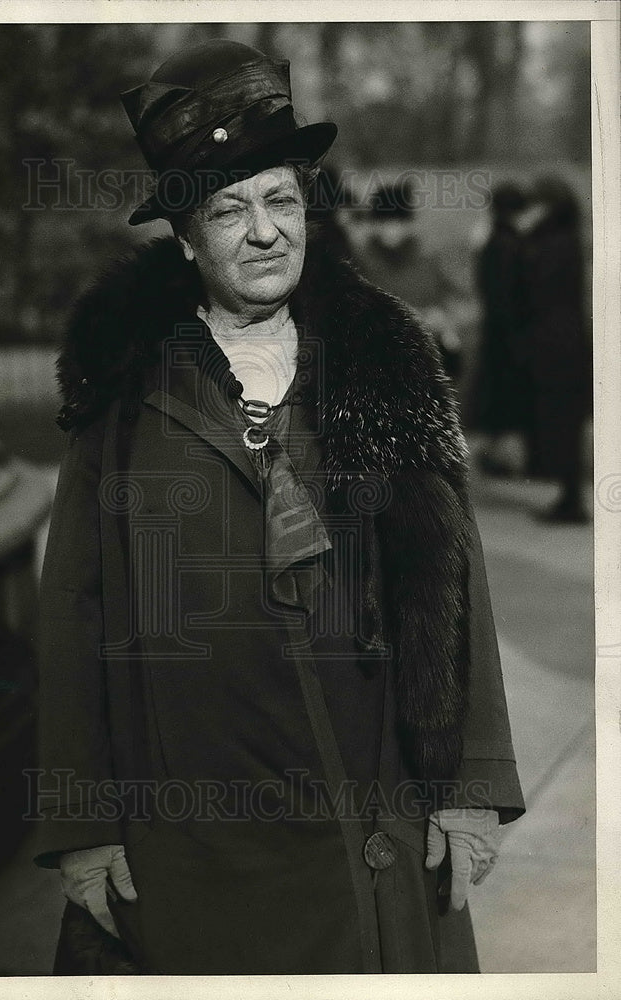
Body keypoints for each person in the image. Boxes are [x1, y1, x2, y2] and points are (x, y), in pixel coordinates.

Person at [34, 39, 525, 975]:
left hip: (371, 816)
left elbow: (456, 575)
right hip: (192, 839)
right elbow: (73, 612)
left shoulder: (385, 358)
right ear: (183, 238)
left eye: (280, 200)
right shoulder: (126, 388)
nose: (264, 233)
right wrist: (80, 822)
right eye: (228, 210)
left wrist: (468, 786)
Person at [517, 176, 592, 522]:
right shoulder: (567, 240)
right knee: (565, 423)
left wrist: (525, 237)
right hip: (565, 340)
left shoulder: (554, 244)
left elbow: (534, 287)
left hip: (555, 343)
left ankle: (571, 500)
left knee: (561, 422)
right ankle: (569, 496)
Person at [356, 180, 465, 379]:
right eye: (384, 222)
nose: (390, 229)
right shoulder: (361, 266)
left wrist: (444, 321)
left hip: (423, 366)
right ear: (375, 224)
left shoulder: (427, 262)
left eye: (397, 222)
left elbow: (457, 305)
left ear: (408, 223)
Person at [473, 181, 533, 477]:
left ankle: (496, 455)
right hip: (510, 331)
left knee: (496, 394)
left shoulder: (492, 239)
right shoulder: (513, 242)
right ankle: (504, 458)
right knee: (509, 395)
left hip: (495, 329)